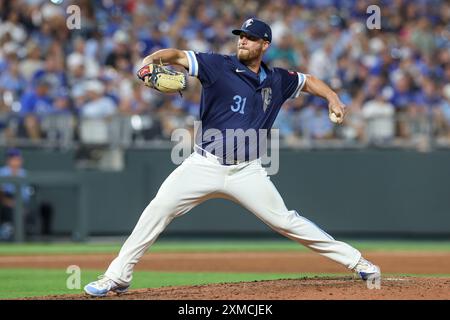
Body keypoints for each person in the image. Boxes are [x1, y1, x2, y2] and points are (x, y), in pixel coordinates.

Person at [84, 18, 381, 297]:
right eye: (241, 37)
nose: (243, 41)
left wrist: (333, 99)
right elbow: (174, 55)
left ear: (265, 45)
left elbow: (309, 80)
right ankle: (117, 276)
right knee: (157, 210)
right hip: (203, 164)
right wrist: (149, 61)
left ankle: (359, 262)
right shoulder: (217, 66)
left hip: (246, 171)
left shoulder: (277, 79)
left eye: (251, 38)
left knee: (287, 221)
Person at [0, 148, 32, 240]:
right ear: (8, 160)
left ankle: (17, 236)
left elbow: (26, 196)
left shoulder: (24, 173)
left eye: (17, 159)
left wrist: (17, 204)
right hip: (4, 204)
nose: (15, 161)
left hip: (20, 203)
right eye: (13, 159)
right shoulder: (2, 172)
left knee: (24, 212)